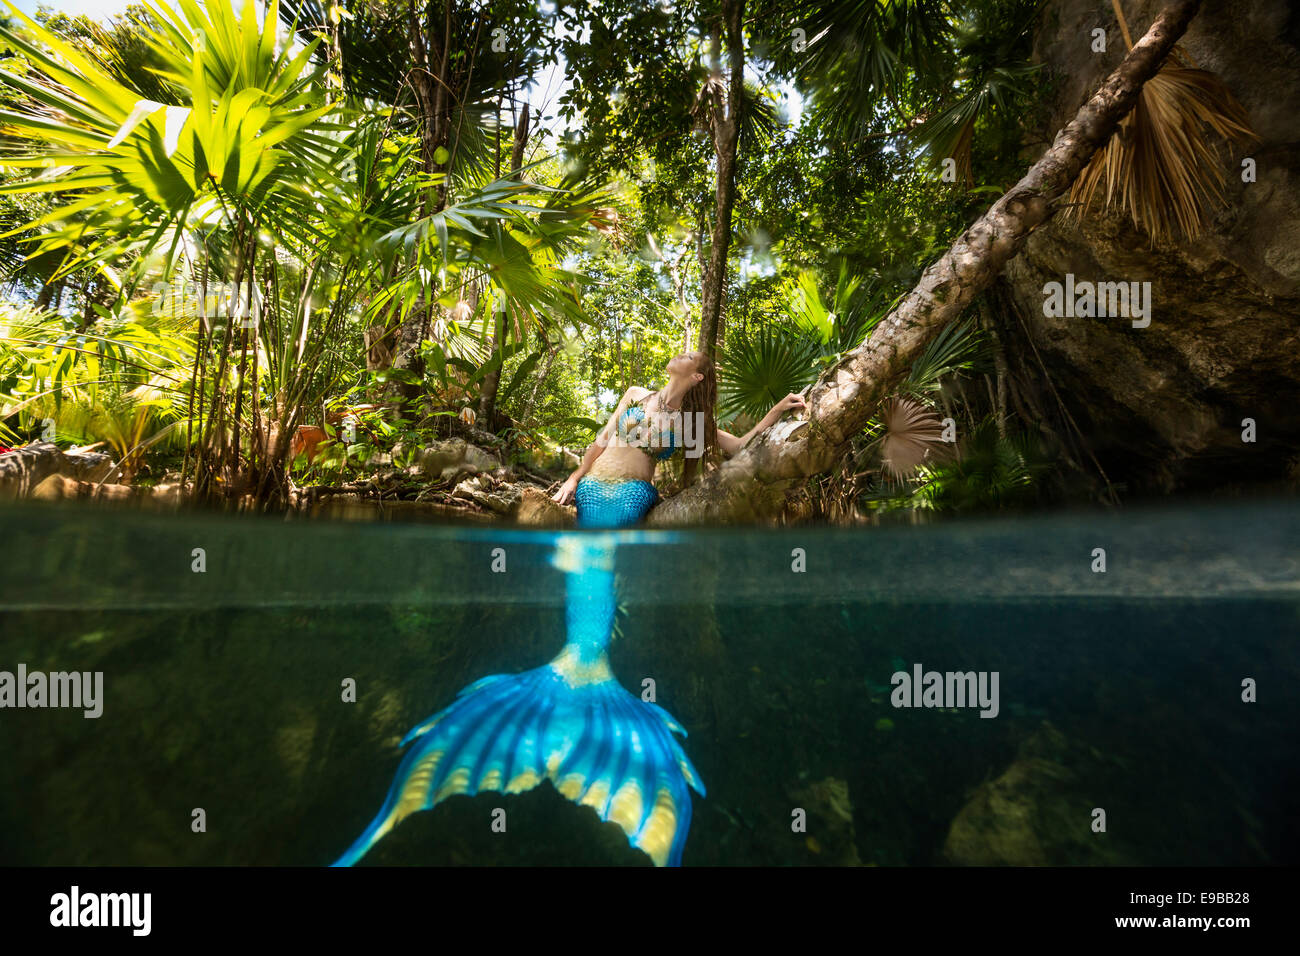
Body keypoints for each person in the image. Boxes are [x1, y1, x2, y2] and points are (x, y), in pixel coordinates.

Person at [551, 350, 807, 527]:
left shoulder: (689, 421)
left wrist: (776, 409)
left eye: (689, 357)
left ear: (697, 377)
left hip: (633, 491)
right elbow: (602, 440)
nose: (680, 354)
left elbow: (740, 445)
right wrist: (574, 479)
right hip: (594, 482)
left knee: (608, 535)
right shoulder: (636, 394)